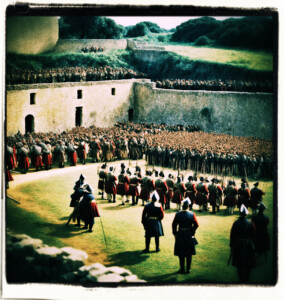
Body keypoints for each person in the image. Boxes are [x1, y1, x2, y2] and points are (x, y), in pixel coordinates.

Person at [229, 204, 256, 283]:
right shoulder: (251, 223)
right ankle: (247, 278)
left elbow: (232, 235)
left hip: (238, 245)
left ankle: (241, 279)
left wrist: (232, 245)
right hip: (248, 245)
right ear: (246, 214)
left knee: (239, 264)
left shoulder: (236, 223)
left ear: (240, 213)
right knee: (248, 263)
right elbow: (254, 235)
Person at [172, 198, 199, 274]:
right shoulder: (192, 214)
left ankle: (182, 269)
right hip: (188, 235)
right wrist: (192, 231)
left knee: (181, 252)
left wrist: (175, 233)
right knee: (189, 253)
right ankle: (188, 269)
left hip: (180, 234)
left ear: (182, 206)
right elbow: (196, 224)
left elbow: (174, 224)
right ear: (188, 206)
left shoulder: (178, 214)